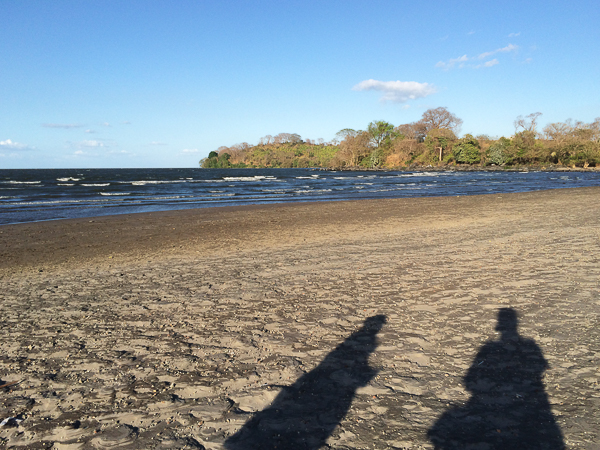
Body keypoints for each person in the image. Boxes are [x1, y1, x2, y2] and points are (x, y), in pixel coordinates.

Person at [428, 308, 564, 449]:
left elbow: (469, 380)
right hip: (526, 400)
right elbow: (541, 366)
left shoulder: (489, 348)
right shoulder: (529, 345)